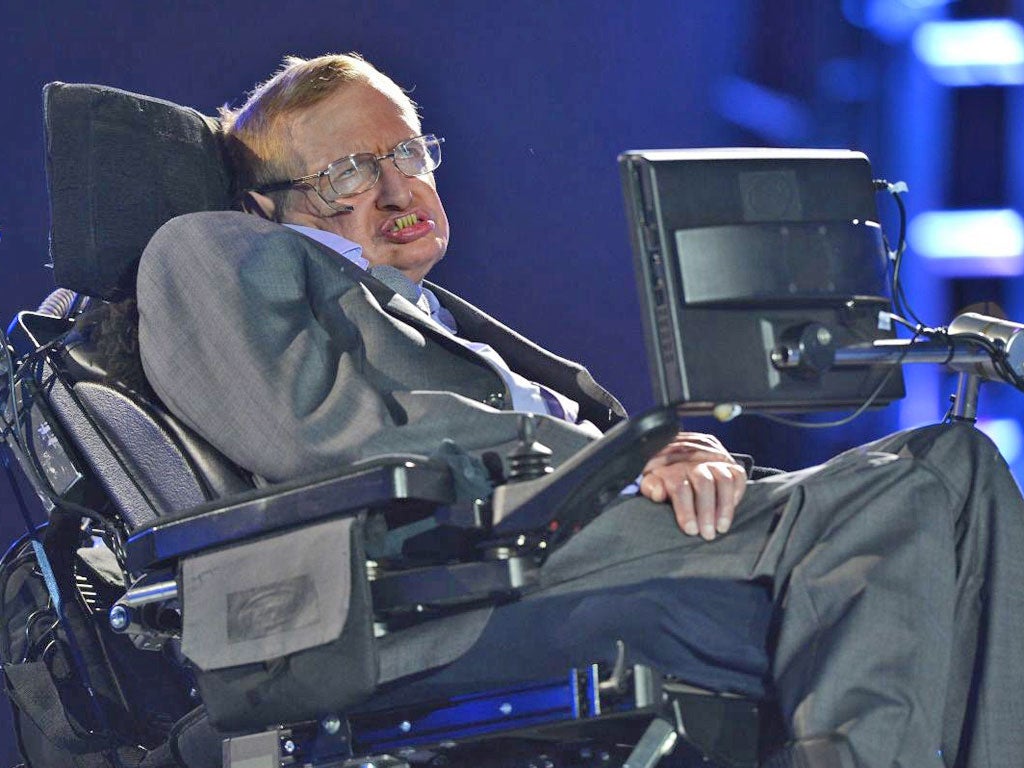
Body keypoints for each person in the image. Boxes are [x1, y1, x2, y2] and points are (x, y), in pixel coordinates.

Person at [136, 54, 1024, 767]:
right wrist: (612, 461)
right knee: (904, 492)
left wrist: (661, 451)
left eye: (406, 153)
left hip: (575, 527)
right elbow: (319, 437)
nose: (400, 190)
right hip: (445, 577)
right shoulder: (211, 249)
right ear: (270, 203)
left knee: (961, 470)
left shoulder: (431, 318)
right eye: (349, 174)